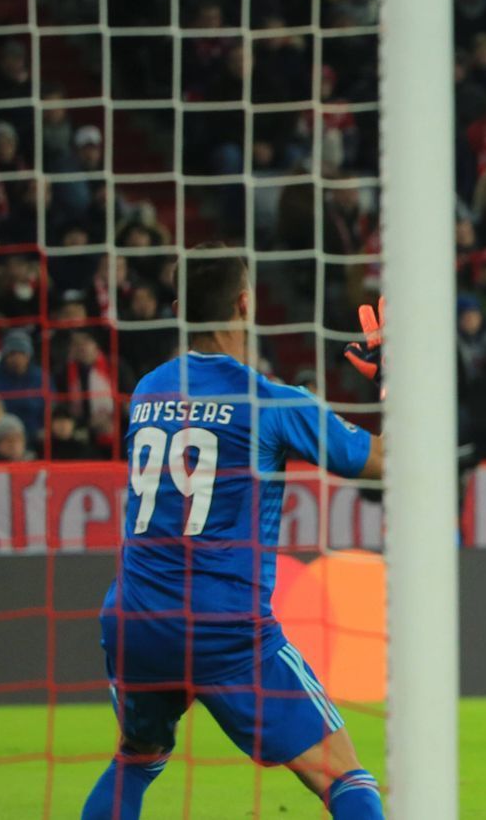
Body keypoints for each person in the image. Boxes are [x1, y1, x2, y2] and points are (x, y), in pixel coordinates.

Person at [85, 245, 385, 820]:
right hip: (225, 629)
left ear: (179, 309)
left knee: (136, 759)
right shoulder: (268, 401)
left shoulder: (148, 391)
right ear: (246, 304)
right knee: (347, 777)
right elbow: (383, 462)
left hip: (136, 621)